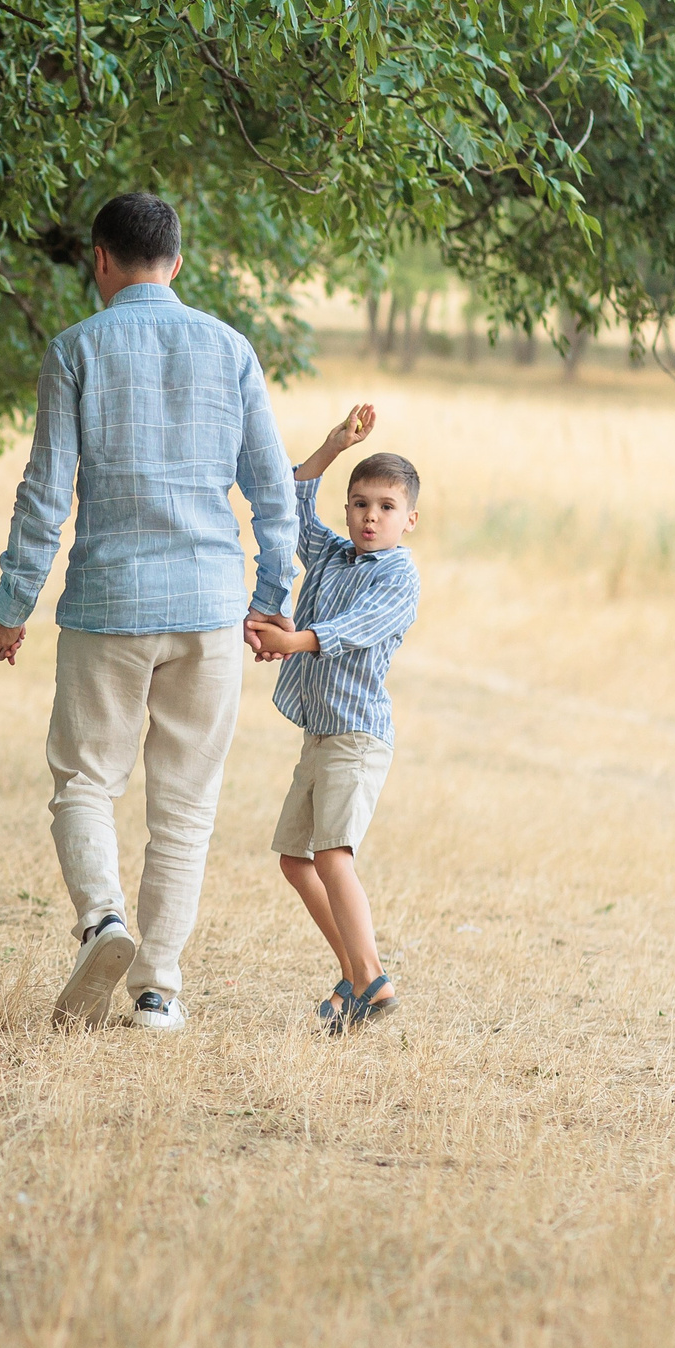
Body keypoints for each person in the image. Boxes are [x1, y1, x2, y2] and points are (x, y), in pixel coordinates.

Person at [0, 193, 297, 1033]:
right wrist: (268, 600)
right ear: (177, 263)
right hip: (210, 609)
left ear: (100, 260)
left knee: (85, 780)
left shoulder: (75, 348)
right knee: (185, 805)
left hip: (109, 603)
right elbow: (272, 489)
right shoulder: (231, 349)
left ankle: (102, 919)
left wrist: (10, 605)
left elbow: (45, 496)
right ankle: (158, 990)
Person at [247, 404, 421, 1030]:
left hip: (357, 736)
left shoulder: (399, 575)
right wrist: (330, 448)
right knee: (297, 860)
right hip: (319, 736)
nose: (370, 517)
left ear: (410, 518)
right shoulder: (331, 553)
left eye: (385, 507)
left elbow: (354, 630)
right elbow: (288, 501)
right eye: (359, 503)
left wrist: (289, 640)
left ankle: (370, 978)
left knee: (333, 854)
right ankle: (355, 972)